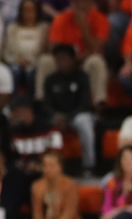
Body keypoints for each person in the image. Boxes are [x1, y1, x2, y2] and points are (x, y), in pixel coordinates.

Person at [37, 0, 109, 107]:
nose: (81, 5)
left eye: (85, 1)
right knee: (45, 61)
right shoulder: (61, 18)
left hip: (84, 62)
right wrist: (68, 59)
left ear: (91, 2)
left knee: (97, 62)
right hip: (64, 61)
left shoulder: (101, 19)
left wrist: (84, 27)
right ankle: (40, 104)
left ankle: (99, 106)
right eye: (77, 1)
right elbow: (53, 48)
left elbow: (96, 50)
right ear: (71, 2)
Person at [41, 45, 96, 176]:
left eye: (64, 59)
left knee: (84, 121)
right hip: (56, 117)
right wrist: (55, 115)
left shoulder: (82, 77)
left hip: (77, 115)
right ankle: (51, 167)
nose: (61, 63)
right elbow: (46, 104)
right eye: (58, 60)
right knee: (44, 122)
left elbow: (85, 104)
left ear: (72, 60)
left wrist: (68, 117)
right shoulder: (50, 79)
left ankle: (89, 166)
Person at [3, 0, 48, 97]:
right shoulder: (12, 28)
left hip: (35, 64)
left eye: (31, 10)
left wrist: (31, 62)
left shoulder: (44, 29)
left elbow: (45, 52)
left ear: (37, 11)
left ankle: (33, 103)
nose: (28, 13)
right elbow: (6, 52)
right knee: (14, 70)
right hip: (15, 63)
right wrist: (16, 60)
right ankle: (12, 102)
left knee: (31, 73)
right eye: (25, 10)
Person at [100, 147, 132, 219]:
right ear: (120, 162)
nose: (128, 162)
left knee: (124, 215)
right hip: (115, 216)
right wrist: (123, 210)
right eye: (125, 159)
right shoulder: (111, 183)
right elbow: (106, 210)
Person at [31, 152, 78, 219]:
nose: (47, 169)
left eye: (51, 165)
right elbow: (37, 214)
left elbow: (69, 213)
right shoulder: (37, 186)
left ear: (60, 167)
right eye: (45, 165)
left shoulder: (69, 184)